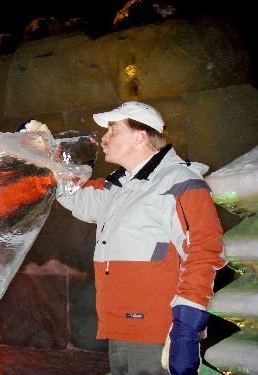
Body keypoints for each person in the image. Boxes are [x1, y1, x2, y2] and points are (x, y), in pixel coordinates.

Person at [34, 101, 226, 375]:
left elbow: (203, 252)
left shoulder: (179, 183)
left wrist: (187, 325)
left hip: (155, 331)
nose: (105, 137)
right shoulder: (120, 186)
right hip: (120, 327)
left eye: (114, 130)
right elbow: (73, 194)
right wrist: (42, 153)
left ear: (140, 136)